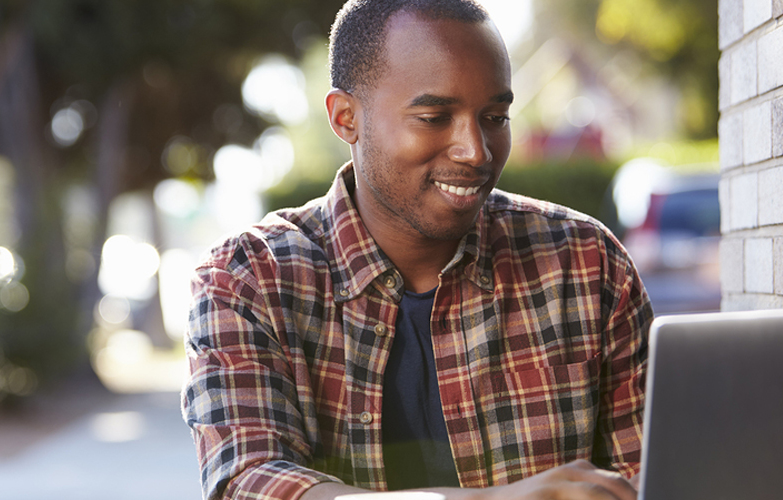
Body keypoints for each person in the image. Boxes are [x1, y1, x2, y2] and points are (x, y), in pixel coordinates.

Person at [181, 1, 653, 499]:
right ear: (346, 118)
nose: (476, 150)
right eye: (433, 117)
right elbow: (251, 482)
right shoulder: (247, 280)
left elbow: (654, 474)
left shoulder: (586, 263)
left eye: (495, 116)